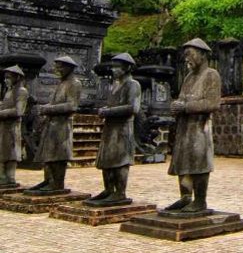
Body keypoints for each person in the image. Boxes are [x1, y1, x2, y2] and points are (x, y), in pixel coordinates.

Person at [165, 38, 221, 213]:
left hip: (200, 128)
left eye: (190, 54)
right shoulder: (189, 77)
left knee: (199, 162)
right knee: (183, 160)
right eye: (185, 55)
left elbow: (212, 103)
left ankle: (200, 200)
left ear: (202, 55)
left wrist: (186, 107)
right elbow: (182, 98)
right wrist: (176, 105)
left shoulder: (211, 75)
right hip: (184, 127)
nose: (186, 58)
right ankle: (185, 197)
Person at [86, 52, 141, 206]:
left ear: (127, 68)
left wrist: (109, 111)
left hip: (123, 128)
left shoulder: (133, 84)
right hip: (110, 127)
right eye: (113, 66)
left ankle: (120, 192)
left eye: (117, 67)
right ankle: (109, 189)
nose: (113, 70)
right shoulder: (115, 84)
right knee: (107, 159)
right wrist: (106, 109)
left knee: (120, 161)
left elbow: (133, 108)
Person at [26, 56, 81, 194]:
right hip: (52, 123)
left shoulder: (74, 83)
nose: (58, 70)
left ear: (69, 68)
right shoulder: (62, 83)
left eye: (60, 67)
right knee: (48, 154)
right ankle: (48, 180)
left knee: (58, 155)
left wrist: (48, 109)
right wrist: (45, 107)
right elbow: (55, 102)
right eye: (57, 67)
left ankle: (57, 183)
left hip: (62, 124)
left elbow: (72, 106)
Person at [0, 66, 28, 187]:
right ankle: (2, 177)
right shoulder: (8, 91)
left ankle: (10, 177)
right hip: (4, 126)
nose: (6, 80)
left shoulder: (21, 91)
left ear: (17, 77)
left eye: (9, 77)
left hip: (12, 127)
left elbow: (18, 111)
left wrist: (1, 113)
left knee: (11, 153)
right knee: (2, 152)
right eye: (5, 77)